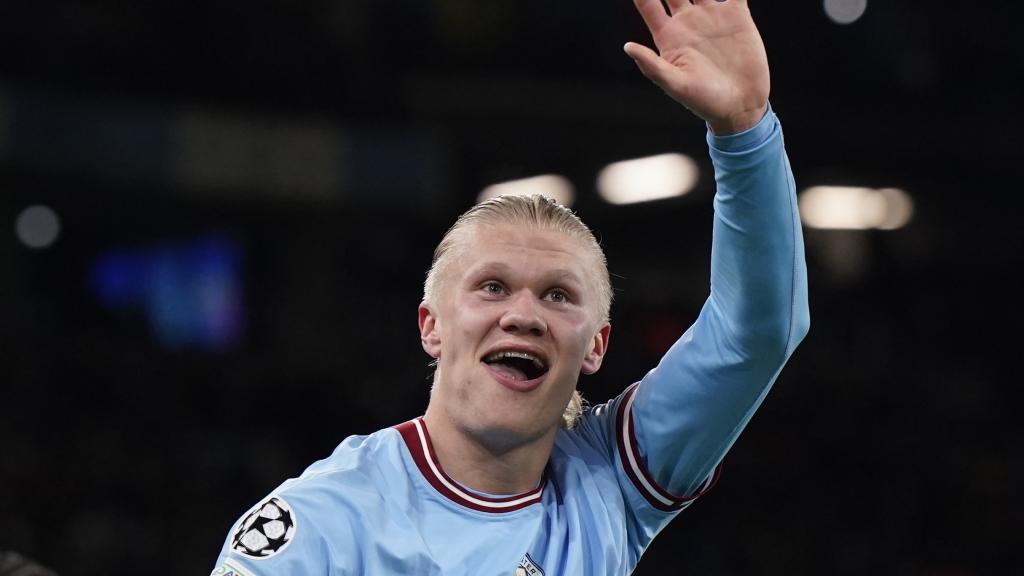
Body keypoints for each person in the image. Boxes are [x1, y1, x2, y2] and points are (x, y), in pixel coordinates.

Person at [210, 0, 809, 574]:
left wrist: (745, 130)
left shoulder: (609, 480)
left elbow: (754, 334)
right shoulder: (320, 527)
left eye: (558, 295)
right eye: (493, 287)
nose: (524, 315)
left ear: (597, 345)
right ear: (431, 326)